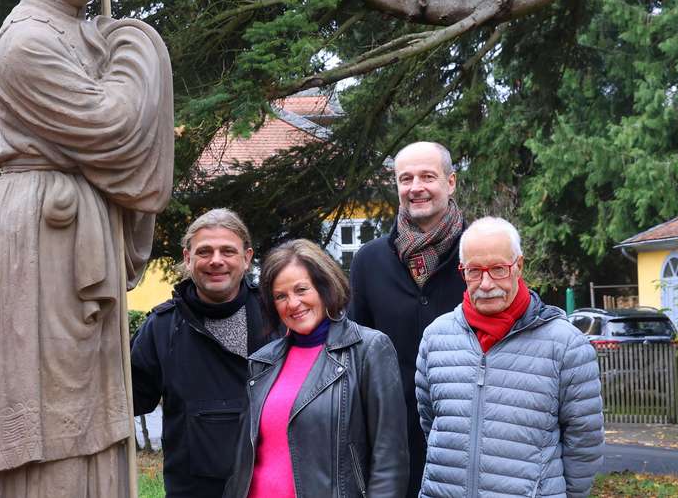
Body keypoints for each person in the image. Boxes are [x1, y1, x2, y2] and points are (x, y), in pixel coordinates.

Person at [0, 0, 174, 496]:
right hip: (43, 231)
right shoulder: (27, 42)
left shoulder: (77, 32)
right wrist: (135, 50)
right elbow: (114, 128)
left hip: (75, 216)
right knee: (45, 383)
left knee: (85, 380)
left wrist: (107, 43)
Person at [416, 217, 604, 497]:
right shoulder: (436, 338)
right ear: (462, 271)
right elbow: (431, 423)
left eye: (498, 269)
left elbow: (584, 443)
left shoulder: (565, 345)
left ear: (519, 266)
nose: (486, 283)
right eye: (475, 271)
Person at [225, 239, 408, 497]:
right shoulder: (262, 362)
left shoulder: (368, 349)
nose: (293, 303)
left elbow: (389, 460)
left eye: (301, 290)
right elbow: (245, 459)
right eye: (280, 296)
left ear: (325, 287)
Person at [130, 209, 277, 498]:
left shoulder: (275, 317)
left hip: (270, 485)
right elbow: (126, 399)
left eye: (228, 251)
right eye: (205, 251)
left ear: (247, 258)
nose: (216, 261)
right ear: (188, 258)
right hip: (192, 488)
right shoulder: (161, 327)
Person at [349, 140, 466, 496]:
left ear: (451, 182)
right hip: (390, 439)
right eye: (406, 178)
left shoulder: (478, 254)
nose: (415, 187)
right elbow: (357, 352)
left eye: (427, 176)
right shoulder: (369, 262)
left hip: (464, 431)